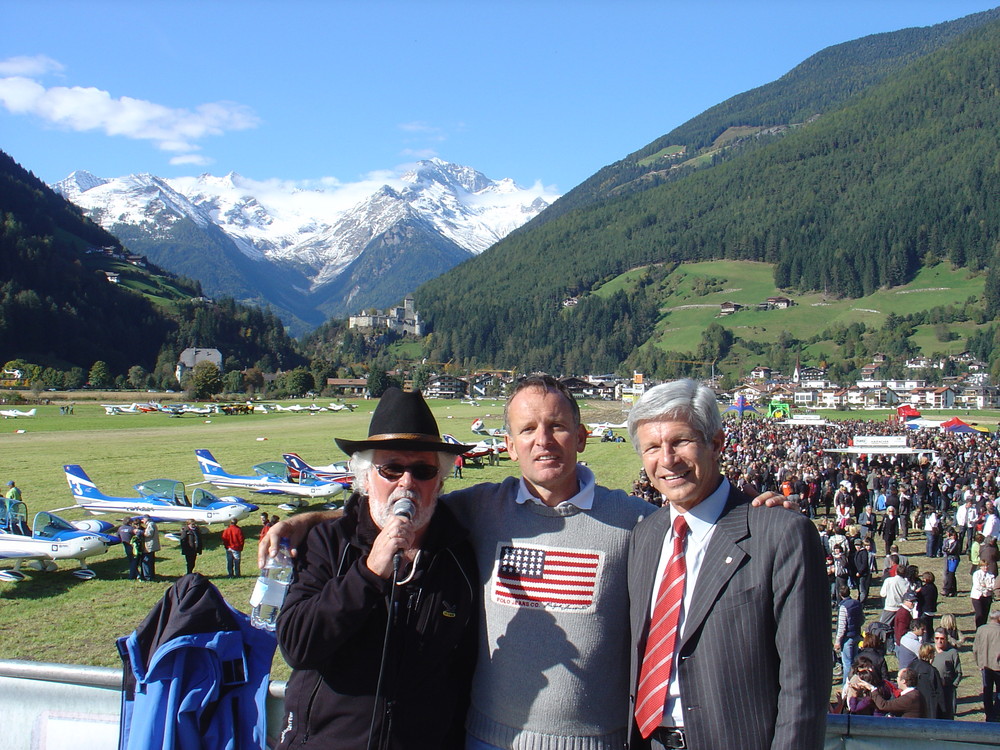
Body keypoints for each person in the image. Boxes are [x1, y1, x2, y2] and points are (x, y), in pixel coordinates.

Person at [264, 378, 789, 750]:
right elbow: (398, 506)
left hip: (596, 741)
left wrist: (750, 512)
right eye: (528, 429)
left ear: (582, 437)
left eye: (558, 426)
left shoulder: (635, 521)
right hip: (486, 738)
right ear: (509, 446)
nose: (544, 440)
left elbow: (695, 531)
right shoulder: (478, 509)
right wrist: (312, 519)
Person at [626, 379, 828, 750]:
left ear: (716, 444)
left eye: (680, 441)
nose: (667, 460)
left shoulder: (780, 534)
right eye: (652, 447)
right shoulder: (646, 536)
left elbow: (805, 684)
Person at [276, 388, 477, 749]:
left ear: (441, 481)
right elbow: (297, 645)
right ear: (366, 479)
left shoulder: (459, 555)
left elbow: (464, 668)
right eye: (392, 468)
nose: (407, 482)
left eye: (423, 470)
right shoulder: (328, 543)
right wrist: (368, 574)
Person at [859, 668, 925, 718]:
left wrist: (872, 689)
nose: (896, 679)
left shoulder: (909, 698)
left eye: (898, 677)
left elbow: (883, 705)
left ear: (903, 681)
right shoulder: (916, 694)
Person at [972, 609, 1000, 722]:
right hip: (998, 666)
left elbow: (975, 649)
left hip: (985, 665)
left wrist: (979, 662)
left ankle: (989, 714)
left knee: (987, 690)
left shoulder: (981, 630)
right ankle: (997, 712)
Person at [835, 585, 863, 688]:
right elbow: (862, 619)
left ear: (840, 594)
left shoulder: (843, 607)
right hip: (856, 635)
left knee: (847, 663)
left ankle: (846, 686)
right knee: (855, 662)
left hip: (847, 638)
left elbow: (842, 626)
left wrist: (838, 641)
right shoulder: (857, 603)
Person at [932, 628, 962, 720]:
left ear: (946, 639)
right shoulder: (929, 650)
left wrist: (953, 685)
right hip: (932, 689)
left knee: (947, 715)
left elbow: (958, 672)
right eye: (937, 638)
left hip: (947, 689)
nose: (939, 641)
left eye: (942, 638)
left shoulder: (952, 652)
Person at [971, 560, 996, 629]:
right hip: (977, 597)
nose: (985, 567)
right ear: (980, 566)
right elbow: (977, 586)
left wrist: (986, 586)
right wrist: (985, 589)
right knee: (979, 613)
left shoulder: (991, 575)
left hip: (988, 597)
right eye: (983, 566)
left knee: (985, 614)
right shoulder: (976, 574)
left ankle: (983, 629)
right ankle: (978, 628)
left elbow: (993, 586)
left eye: (987, 566)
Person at [140, 515, 160, 582]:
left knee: (147, 561)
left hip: (149, 546)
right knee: (151, 561)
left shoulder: (150, 524)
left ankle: (147, 576)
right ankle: (152, 575)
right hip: (152, 545)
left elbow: (149, 534)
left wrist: (141, 532)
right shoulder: (152, 524)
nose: (142, 521)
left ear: (146, 519)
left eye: (143, 519)